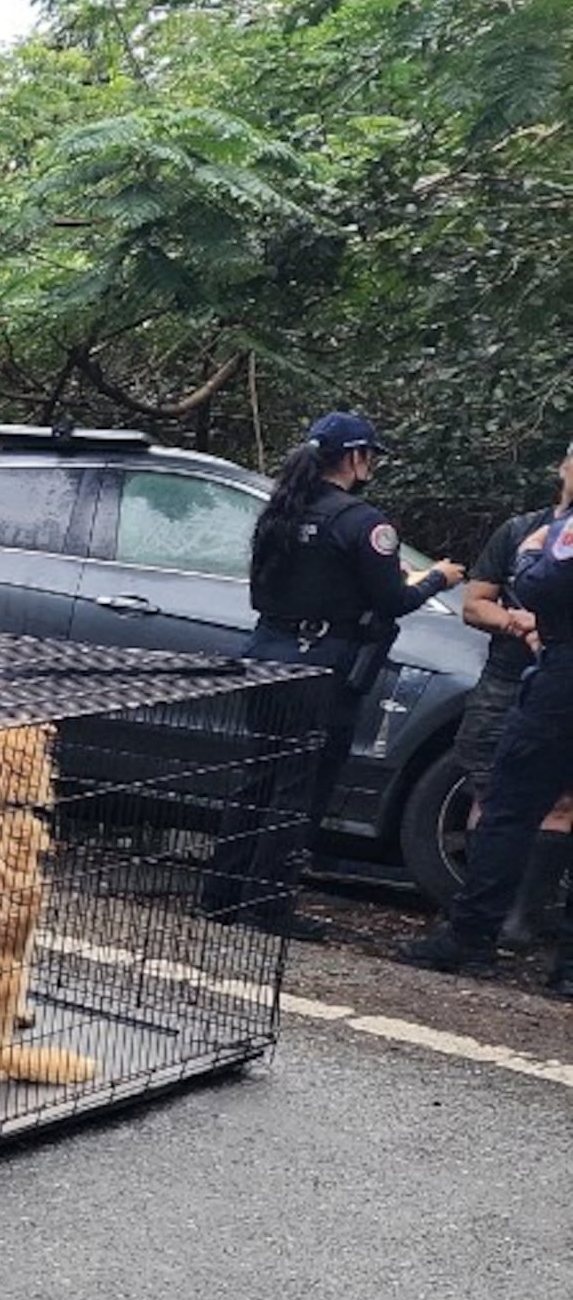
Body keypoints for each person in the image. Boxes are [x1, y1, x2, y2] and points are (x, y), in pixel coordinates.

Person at [200, 412, 464, 939]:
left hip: (267, 651)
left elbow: (261, 592)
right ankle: (269, 908)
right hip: (319, 666)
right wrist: (437, 577)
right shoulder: (363, 524)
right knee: (299, 788)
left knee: (259, 776)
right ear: (356, 457)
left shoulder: (280, 510)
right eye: (371, 456)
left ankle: (223, 894)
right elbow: (394, 599)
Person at [404, 490, 573, 996]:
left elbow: (542, 585)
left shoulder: (559, 529)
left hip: (562, 681)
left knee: (509, 806)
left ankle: (471, 935)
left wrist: (530, 554)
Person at [452, 444, 573, 948]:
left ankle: (505, 925)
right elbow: (475, 603)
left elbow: (541, 584)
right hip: (510, 680)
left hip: (556, 682)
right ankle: (479, 922)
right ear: (563, 466)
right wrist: (514, 622)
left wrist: (539, 608)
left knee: (541, 806)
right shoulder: (519, 526)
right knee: (493, 795)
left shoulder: (551, 539)